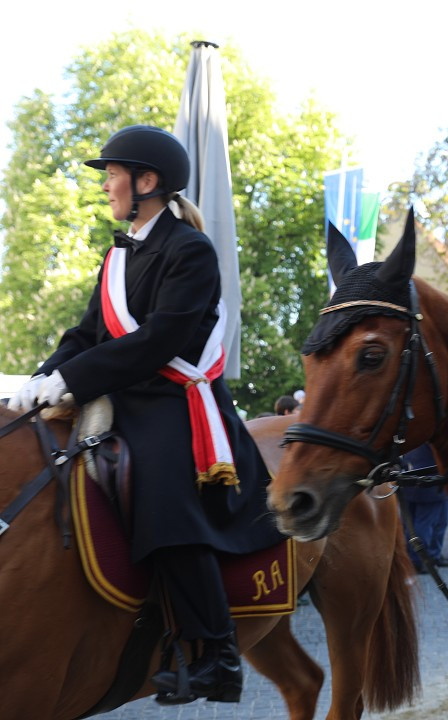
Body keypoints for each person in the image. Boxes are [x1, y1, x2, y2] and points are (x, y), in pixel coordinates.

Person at [9, 125, 282, 704]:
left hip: (174, 399)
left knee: (160, 492)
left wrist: (71, 380)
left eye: (113, 174)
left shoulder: (189, 249)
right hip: (122, 394)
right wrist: (43, 378)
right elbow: (85, 333)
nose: (106, 184)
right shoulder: (118, 253)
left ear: (147, 182)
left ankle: (217, 652)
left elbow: (160, 341)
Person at [398, 444, 448, 572]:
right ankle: (421, 559)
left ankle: (425, 556)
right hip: (431, 484)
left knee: (412, 523)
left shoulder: (412, 431)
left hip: (410, 481)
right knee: (428, 524)